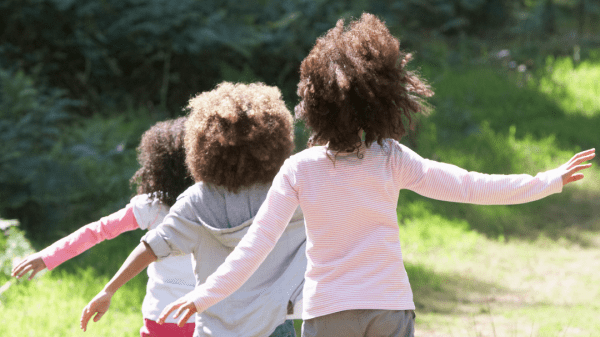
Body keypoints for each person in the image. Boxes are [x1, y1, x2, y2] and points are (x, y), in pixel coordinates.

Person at [156, 13, 596, 337]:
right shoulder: (390, 158)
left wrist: (204, 296)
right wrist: (547, 180)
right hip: (389, 307)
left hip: (328, 313)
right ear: (382, 98)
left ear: (313, 103)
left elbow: (254, 247)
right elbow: (469, 185)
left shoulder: (300, 170)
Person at [80, 82, 306, 337]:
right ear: (275, 139)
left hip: (216, 327)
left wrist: (108, 290)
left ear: (203, 143)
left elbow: (152, 246)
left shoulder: (198, 200)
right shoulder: (285, 192)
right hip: (273, 325)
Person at [11, 117, 198, 336]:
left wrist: (48, 255)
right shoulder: (218, 205)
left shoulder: (153, 206)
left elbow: (97, 231)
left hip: (163, 316)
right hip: (212, 316)